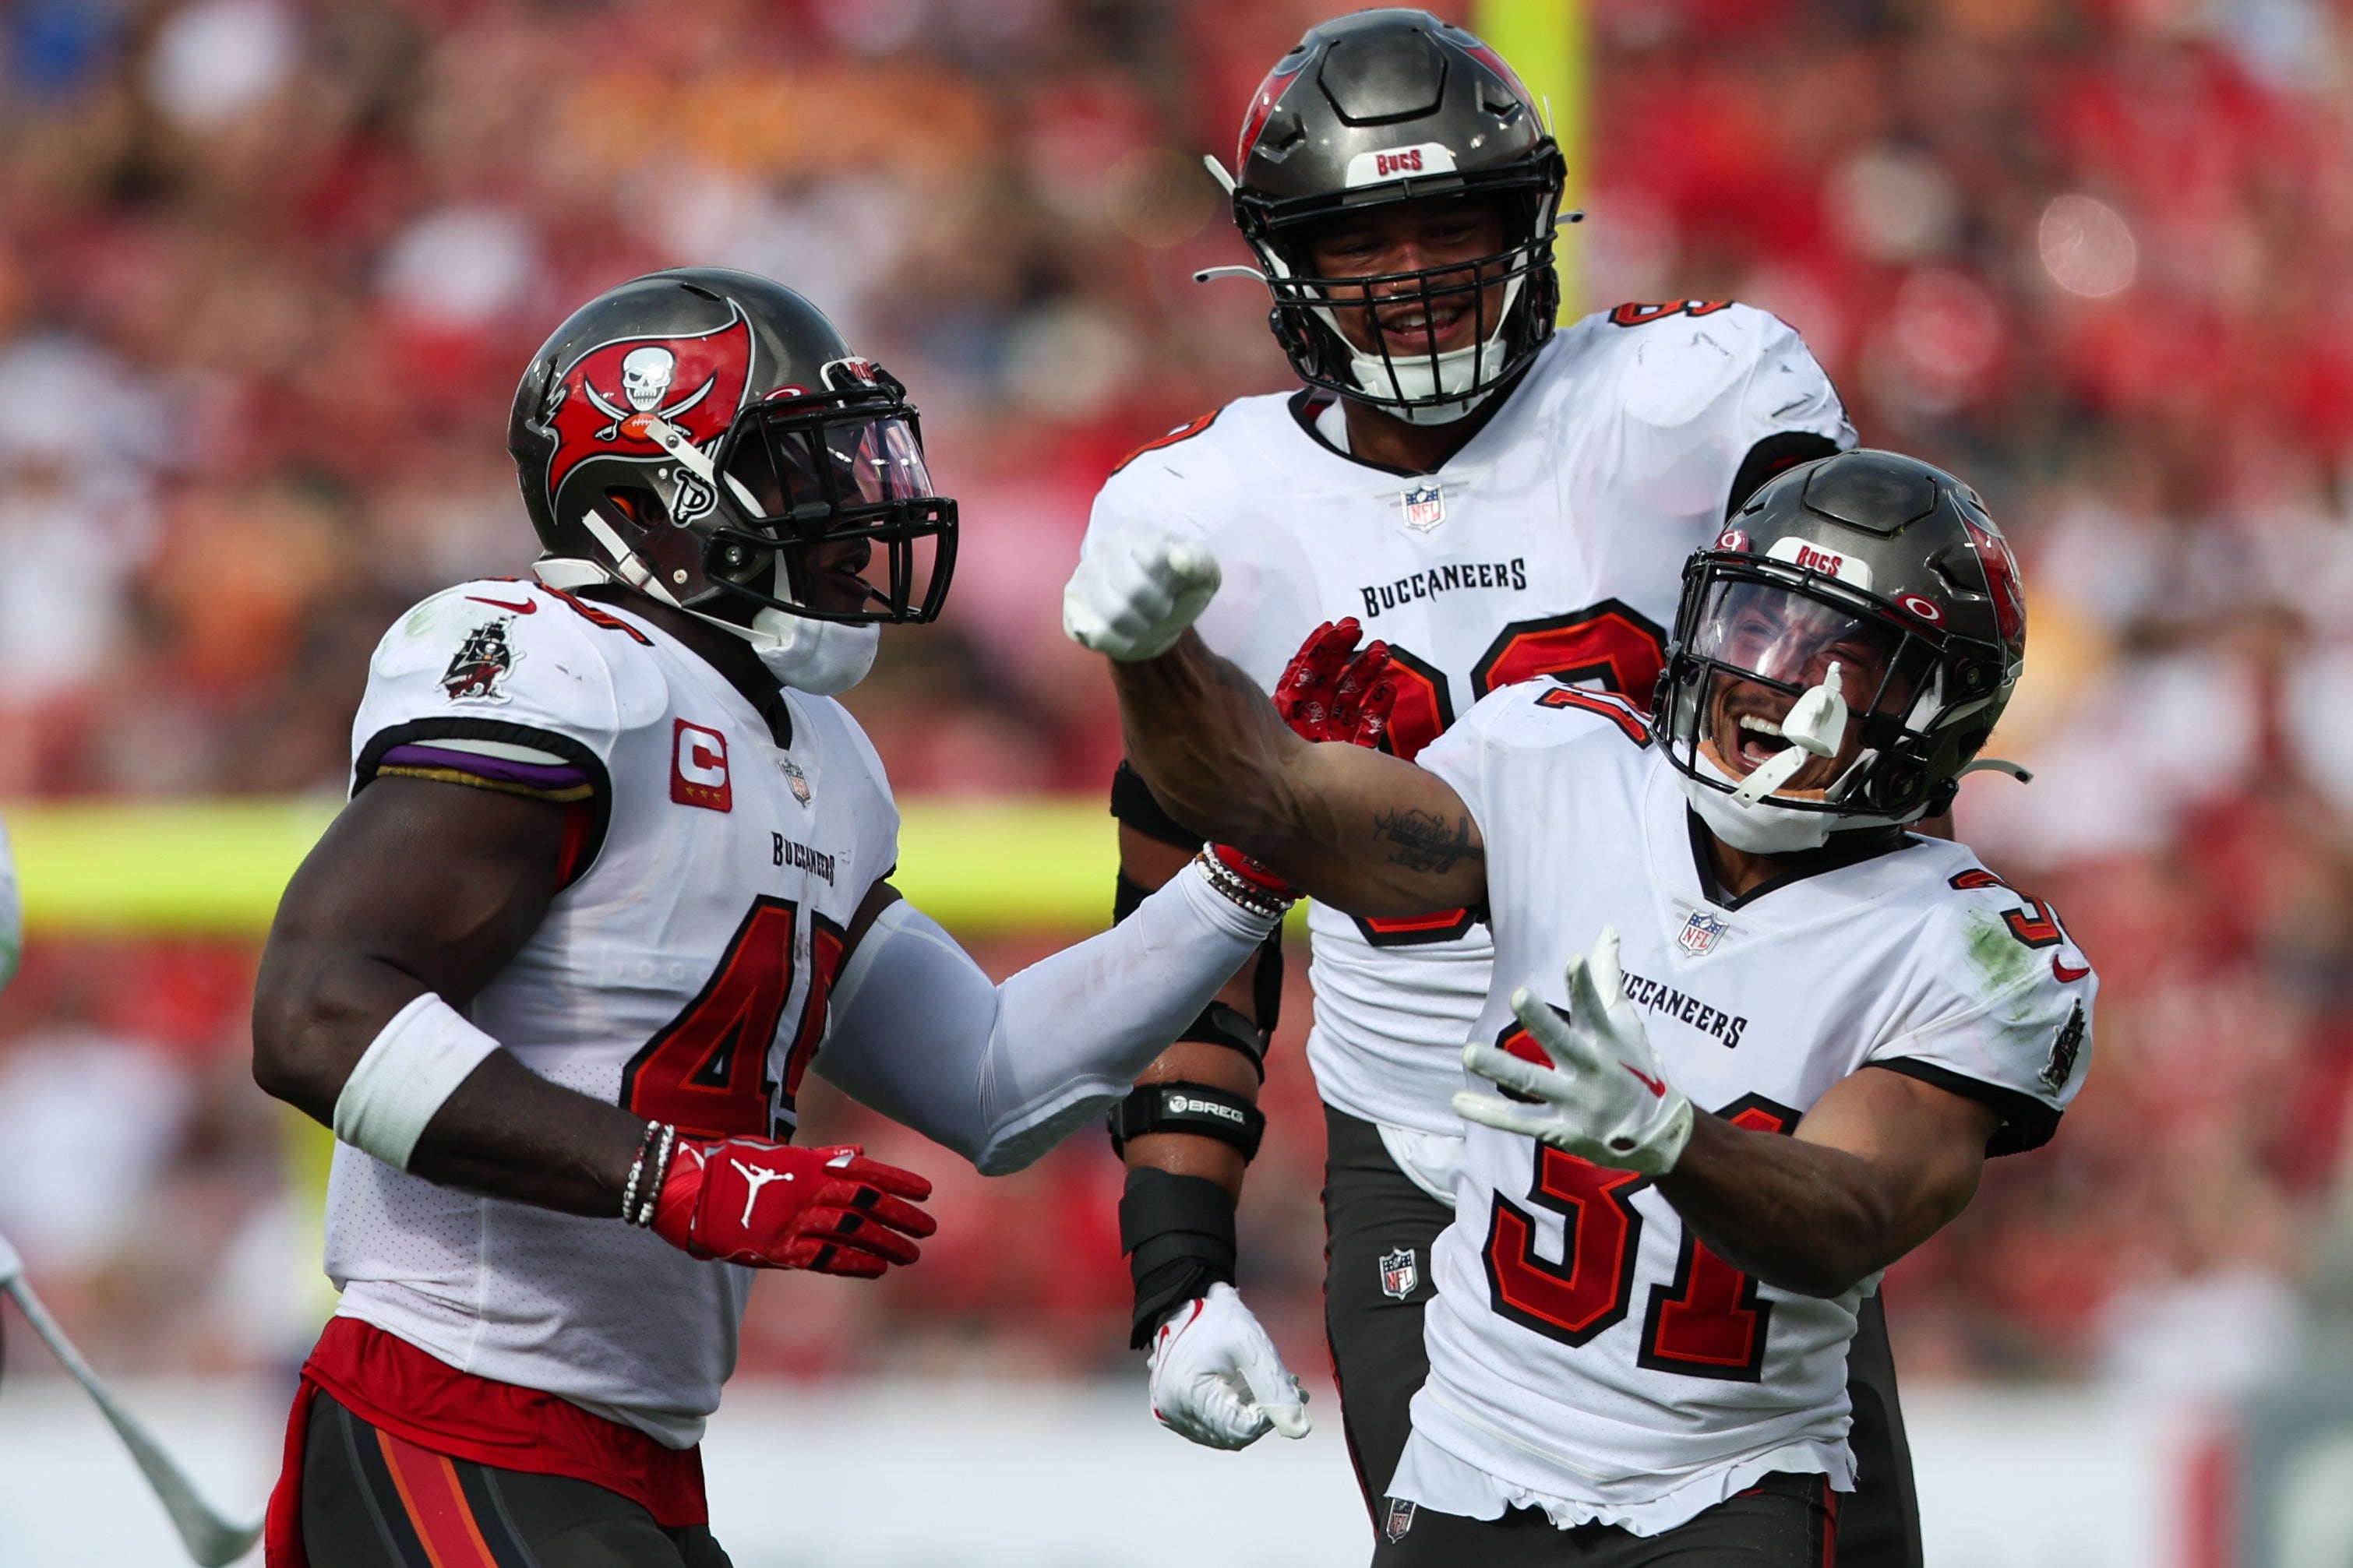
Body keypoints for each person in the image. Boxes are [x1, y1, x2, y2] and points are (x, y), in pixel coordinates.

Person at [249, 268, 1303, 1568]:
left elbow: (995, 1078)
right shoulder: (562, 668)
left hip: (637, 1450)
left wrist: (1255, 862)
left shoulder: (819, 752)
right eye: (797, 471)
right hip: (451, 1400)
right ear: (646, 505)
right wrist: (667, 1172)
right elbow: (314, 1012)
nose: (854, 505)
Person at [1066, 9, 1929, 1554]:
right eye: (1360, 236)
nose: (1409, 273)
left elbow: (1864, 752)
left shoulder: (1687, 394)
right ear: (1280, 260)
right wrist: (1179, 1265)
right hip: (1429, 1154)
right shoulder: (1205, 509)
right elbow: (1182, 942)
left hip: (1713, 1097)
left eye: (1447, 219)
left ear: (1529, 217)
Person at [1067, 448, 2090, 1563]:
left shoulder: (1969, 948)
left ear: (1938, 715)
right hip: (1469, 1453)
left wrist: (1668, 1138)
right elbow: (1269, 794)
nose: (1775, 678)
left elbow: (1849, 1218)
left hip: (1728, 1484)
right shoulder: (1559, 756)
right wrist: (1152, 657)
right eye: (1759, 625)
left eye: (1843, 656)